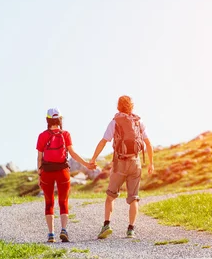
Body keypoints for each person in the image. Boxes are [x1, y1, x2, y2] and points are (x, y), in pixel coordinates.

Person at [89, 95, 154, 239]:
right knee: (134, 198)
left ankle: (106, 225)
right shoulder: (138, 121)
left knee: (110, 196)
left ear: (118, 106)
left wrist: (93, 159)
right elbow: (148, 143)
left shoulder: (115, 121)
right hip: (135, 162)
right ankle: (131, 229)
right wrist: (151, 163)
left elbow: (103, 141)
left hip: (120, 163)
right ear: (132, 106)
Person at [37, 108, 94, 243]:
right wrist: (86, 164)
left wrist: (39, 175)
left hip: (47, 172)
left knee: (49, 202)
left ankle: (51, 234)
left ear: (47, 120)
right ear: (60, 120)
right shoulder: (65, 134)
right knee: (63, 202)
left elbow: (39, 158)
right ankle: (64, 230)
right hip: (63, 171)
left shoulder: (42, 136)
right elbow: (73, 154)